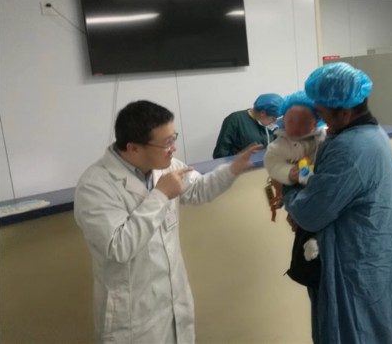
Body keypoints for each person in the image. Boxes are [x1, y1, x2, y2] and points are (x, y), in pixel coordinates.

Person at [74, 100, 261, 344]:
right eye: (166, 143)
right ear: (133, 148)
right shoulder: (95, 186)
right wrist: (160, 196)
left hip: (173, 301)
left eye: (174, 138)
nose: (173, 148)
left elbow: (199, 190)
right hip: (132, 316)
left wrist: (232, 168)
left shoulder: (166, 166)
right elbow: (118, 247)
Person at [282, 62, 392, 343]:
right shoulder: (371, 135)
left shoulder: (350, 148)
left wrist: (288, 186)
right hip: (373, 253)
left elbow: (310, 214)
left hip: (354, 263)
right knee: (383, 326)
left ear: (344, 112)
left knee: (356, 329)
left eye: (322, 114)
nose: (319, 121)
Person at [263, 91, 326, 285]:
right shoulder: (281, 143)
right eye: (290, 121)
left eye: (303, 122)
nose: (296, 127)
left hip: (318, 188)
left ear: (314, 123)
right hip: (296, 187)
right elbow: (272, 163)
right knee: (302, 213)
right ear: (283, 120)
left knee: (322, 211)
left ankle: (316, 239)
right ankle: (309, 237)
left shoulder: (323, 138)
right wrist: (289, 173)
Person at [212, 93, 283, 158]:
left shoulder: (269, 125)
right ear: (262, 113)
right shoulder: (235, 120)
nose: (275, 121)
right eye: (273, 118)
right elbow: (220, 155)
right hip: (239, 166)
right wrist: (241, 156)